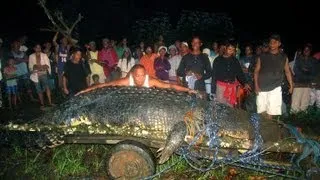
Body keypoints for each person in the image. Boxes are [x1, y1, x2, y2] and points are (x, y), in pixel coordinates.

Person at [76, 64, 197, 95]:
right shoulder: (127, 81)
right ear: (133, 75)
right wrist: (85, 90)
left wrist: (188, 90)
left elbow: (170, 86)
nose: (140, 78)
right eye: (138, 75)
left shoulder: (150, 81)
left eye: (143, 75)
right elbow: (104, 85)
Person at [254, 34, 293, 120]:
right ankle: (262, 129)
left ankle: (268, 130)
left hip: (275, 87)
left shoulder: (283, 57)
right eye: (271, 43)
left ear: (279, 43)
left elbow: (287, 72)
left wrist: (291, 85)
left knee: (271, 112)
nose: (272, 45)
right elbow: (256, 71)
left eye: (274, 43)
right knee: (261, 111)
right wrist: (256, 86)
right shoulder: (263, 56)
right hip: (262, 87)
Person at [212, 43, 251, 107]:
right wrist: (213, 90)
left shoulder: (235, 60)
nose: (231, 51)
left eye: (233, 50)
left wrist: (245, 83)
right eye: (229, 49)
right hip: (220, 86)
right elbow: (214, 75)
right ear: (225, 48)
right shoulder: (218, 60)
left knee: (230, 107)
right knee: (219, 105)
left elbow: (239, 73)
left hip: (231, 87)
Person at [291, 44, 315, 112]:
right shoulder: (298, 59)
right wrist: (306, 72)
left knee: (305, 102)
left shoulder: (313, 60)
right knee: (295, 102)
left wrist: (304, 71)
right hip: (298, 84)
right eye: (305, 50)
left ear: (310, 51)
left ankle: (302, 117)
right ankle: (294, 116)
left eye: (308, 50)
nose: (306, 51)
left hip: (307, 85)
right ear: (303, 51)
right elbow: (296, 70)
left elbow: (314, 72)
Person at [29, 44, 54, 110]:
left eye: (39, 47)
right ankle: (42, 104)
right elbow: (31, 67)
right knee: (39, 90)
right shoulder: (31, 56)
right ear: (34, 48)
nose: (38, 49)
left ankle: (50, 102)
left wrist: (38, 67)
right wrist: (40, 67)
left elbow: (47, 65)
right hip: (35, 75)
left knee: (47, 88)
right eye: (37, 47)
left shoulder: (44, 55)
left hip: (44, 74)